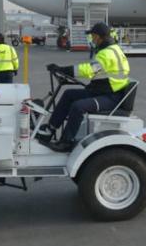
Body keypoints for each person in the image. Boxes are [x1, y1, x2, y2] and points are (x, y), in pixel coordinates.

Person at [40, 22, 130, 151]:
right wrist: (63, 70)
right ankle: (50, 129)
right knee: (69, 94)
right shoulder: (112, 49)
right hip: (104, 91)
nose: (92, 39)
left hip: (112, 97)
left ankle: (66, 142)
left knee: (78, 106)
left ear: (100, 37)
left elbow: (88, 70)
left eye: (93, 36)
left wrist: (63, 69)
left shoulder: (106, 53)